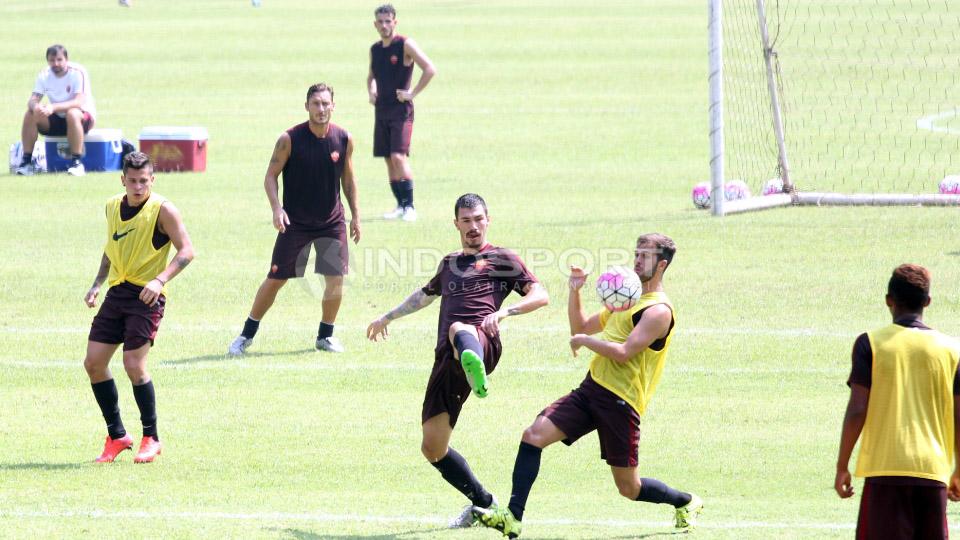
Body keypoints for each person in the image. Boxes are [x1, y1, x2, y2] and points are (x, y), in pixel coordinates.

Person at [474, 234, 702, 538]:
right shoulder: (627, 299)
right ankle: (513, 517)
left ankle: (685, 502)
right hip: (591, 390)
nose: (636, 260)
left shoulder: (658, 311)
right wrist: (575, 290)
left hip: (622, 402)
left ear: (661, 264)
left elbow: (623, 353)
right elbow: (579, 326)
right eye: (635, 253)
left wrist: (585, 342)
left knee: (629, 488)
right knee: (533, 436)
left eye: (644, 256)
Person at [366, 193, 549, 527]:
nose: (473, 226)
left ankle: (474, 365)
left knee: (459, 327)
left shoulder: (502, 258)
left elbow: (540, 294)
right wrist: (387, 317)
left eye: (479, 219)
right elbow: (424, 295)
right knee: (433, 447)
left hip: (482, 341)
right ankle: (485, 504)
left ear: (488, 220)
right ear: (456, 224)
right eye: (466, 221)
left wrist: (505, 311)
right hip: (447, 360)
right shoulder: (449, 263)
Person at [228, 83, 360, 356]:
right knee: (276, 279)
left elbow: (348, 178)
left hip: (331, 222)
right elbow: (270, 176)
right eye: (316, 104)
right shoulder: (289, 139)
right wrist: (277, 208)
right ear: (307, 107)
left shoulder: (344, 139)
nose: (321, 109)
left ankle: (326, 336)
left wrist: (356, 215)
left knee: (335, 280)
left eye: (326, 104)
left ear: (333, 106)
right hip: (295, 223)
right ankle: (246, 335)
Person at [83, 152, 195, 463]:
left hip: (147, 297)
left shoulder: (163, 210)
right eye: (132, 181)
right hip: (118, 292)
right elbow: (111, 248)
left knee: (133, 364)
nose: (137, 187)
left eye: (143, 181)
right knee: (93, 363)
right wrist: (97, 284)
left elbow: (187, 251)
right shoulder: (112, 207)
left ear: (152, 180)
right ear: (123, 180)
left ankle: (151, 437)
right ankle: (117, 435)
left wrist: (159, 280)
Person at [835, 263, 960, 540]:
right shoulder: (952, 349)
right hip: (932, 472)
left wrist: (842, 465)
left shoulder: (870, 344)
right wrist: (959, 469)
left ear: (888, 300)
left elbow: (857, 410)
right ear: (927, 301)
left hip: (884, 472)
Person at [368, 3, 436, 222]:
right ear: (375, 24)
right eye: (381, 22)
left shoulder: (405, 44)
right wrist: (372, 90)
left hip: (400, 112)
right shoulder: (375, 49)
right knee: (388, 159)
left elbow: (429, 68)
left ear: (395, 22)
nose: (384, 25)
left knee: (398, 156)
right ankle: (399, 205)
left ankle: (410, 207)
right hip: (382, 111)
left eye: (388, 21)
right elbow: (371, 76)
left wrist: (412, 93)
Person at [16, 44, 96, 177]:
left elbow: (79, 102)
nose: (56, 64)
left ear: (66, 59)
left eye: (59, 60)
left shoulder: (77, 72)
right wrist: (36, 106)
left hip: (82, 118)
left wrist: (53, 107)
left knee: (72, 113)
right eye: (52, 61)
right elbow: (32, 100)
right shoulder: (44, 74)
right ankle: (26, 162)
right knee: (30, 113)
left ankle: (77, 162)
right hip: (57, 119)